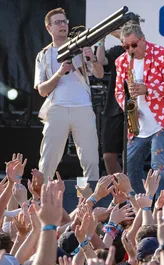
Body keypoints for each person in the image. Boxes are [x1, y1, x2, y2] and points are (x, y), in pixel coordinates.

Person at [115, 23, 164, 203]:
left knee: (159, 164)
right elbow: (118, 91)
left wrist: (148, 89)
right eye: (126, 46)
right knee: (130, 164)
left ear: (143, 40)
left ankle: (163, 209)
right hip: (139, 123)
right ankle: (142, 204)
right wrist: (128, 107)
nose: (130, 50)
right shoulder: (122, 61)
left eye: (133, 45)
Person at [34, 7, 104, 181]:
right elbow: (42, 90)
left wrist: (92, 58)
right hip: (57, 108)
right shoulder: (44, 55)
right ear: (49, 28)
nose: (63, 25)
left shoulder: (80, 47)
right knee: (48, 160)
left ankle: (89, 203)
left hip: (83, 108)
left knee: (90, 160)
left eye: (64, 21)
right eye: (57, 22)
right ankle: (41, 202)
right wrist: (59, 73)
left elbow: (99, 74)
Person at [96, 15, 143, 175]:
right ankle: (120, 192)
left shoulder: (141, 50)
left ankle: (132, 192)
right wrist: (101, 39)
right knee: (108, 155)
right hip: (114, 105)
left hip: (135, 106)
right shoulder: (117, 51)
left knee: (129, 155)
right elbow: (101, 61)